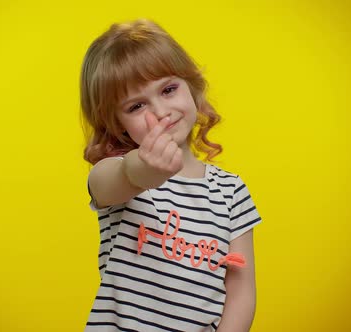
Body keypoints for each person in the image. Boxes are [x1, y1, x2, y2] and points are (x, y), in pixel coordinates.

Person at [80, 18, 262, 332]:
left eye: (168, 89)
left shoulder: (231, 191)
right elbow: (119, 178)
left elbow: (241, 291)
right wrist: (144, 170)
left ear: (192, 86)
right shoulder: (114, 174)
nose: (161, 112)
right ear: (116, 123)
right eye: (137, 106)